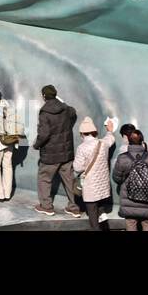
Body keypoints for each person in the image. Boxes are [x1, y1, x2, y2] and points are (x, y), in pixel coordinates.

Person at [33, 84, 81, 217]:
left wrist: (36, 145)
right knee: (69, 179)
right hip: (66, 153)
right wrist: (61, 101)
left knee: (44, 178)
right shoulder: (66, 109)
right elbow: (73, 111)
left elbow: (44, 134)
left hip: (50, 155)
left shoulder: (44, 112)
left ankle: (46, 206)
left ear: (43, 96)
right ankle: (74, 207)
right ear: (55, 94)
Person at [112, 129, 148, 230]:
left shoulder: (122, 158)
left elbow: (116, 179)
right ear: (142, 141)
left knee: (131, 225)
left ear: (129, 141)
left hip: (129, 201)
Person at [72, 117, 115, 230]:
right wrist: (109, 130)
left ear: (82, 133)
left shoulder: (82, 148)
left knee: (92, 213)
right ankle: (105, 226)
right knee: (100, 208)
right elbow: (110, 138)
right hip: (103, 185)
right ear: (94, 132)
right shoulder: (103, 143)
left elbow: (77, 167)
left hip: (90, 186)